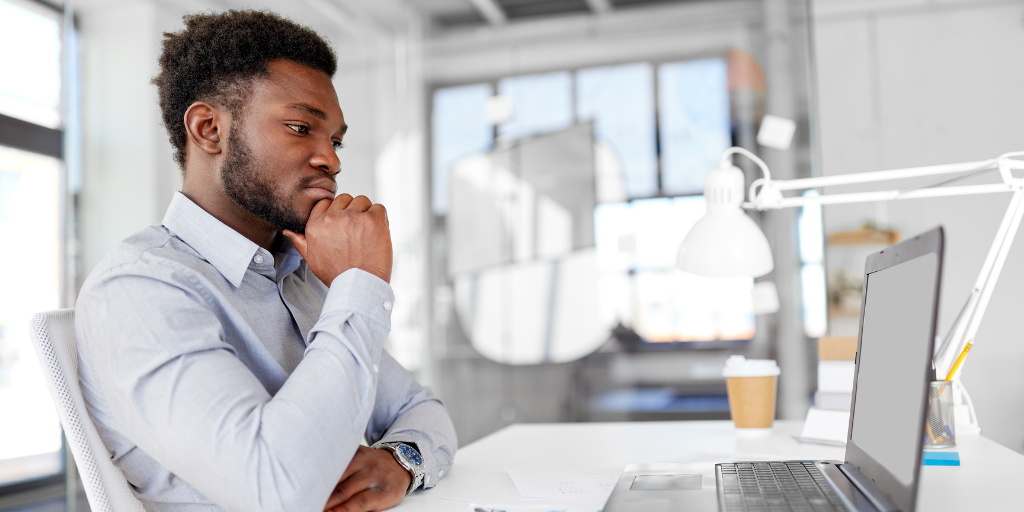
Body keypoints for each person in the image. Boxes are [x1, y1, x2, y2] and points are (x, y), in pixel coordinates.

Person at [74, 10, 456, 512]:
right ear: (209, 129)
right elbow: (276, 489)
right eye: (301, 128)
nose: (332, 160)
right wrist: (361, 284)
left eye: (336, 140)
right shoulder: (140, 289)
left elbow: (422, 410)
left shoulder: (303, 280)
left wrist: (401, 459)